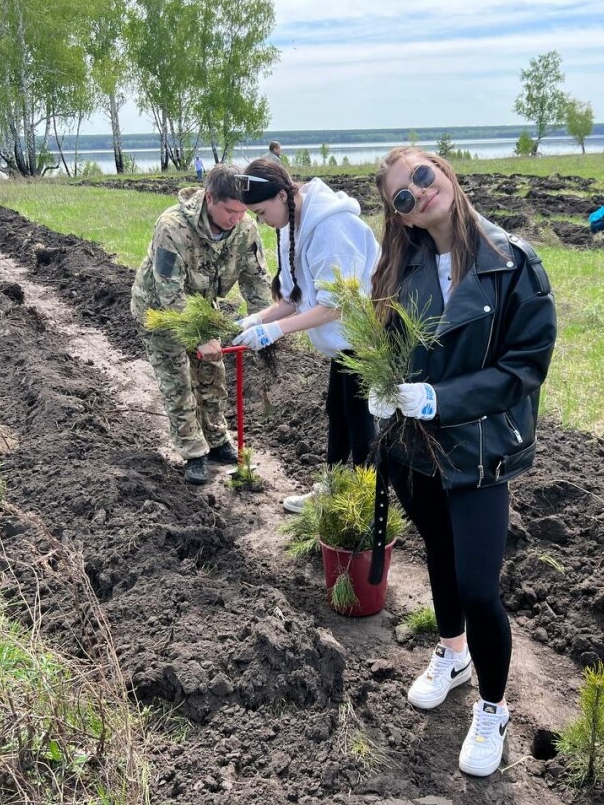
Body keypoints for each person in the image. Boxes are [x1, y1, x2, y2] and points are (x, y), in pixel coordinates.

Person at [366, 148, 556, 777]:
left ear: (445, 173)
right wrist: (382, 389)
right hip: (412, 449)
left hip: (479, 451)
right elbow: (387, 347)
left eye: (423, 176)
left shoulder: (512, 263)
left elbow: (524, 367)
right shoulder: (402, 267)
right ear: (402, 218)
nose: (418, 193)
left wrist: (440, 399)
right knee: (440, 562)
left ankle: (494, 707)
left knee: (478, 585)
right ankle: (451, 656)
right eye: (402, 196)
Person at [231, 159, 379, 512]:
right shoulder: (291, 223)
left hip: (365, 337)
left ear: (283, 195)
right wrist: (257, 319)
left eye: (261, 211)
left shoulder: (331, 227)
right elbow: (295, 296)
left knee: (359, 420)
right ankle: (333, 489)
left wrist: (274, 331)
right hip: (343, 344)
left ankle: (365, 502)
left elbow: (338, 304)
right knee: (337, 411)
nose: (260, 221)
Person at [130, 164, 273, 484]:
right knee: (178, 381)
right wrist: (197, 339)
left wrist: (264, 325)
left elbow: (256, 281)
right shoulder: (172, 227)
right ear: (209, 198)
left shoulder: (245, 229)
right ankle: (193, 452)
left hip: (202, 307)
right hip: (160, 312)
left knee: (212, 374)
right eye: (229, 211)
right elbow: (169, 292)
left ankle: (216, 438)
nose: (236, 218)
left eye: (241, 211)